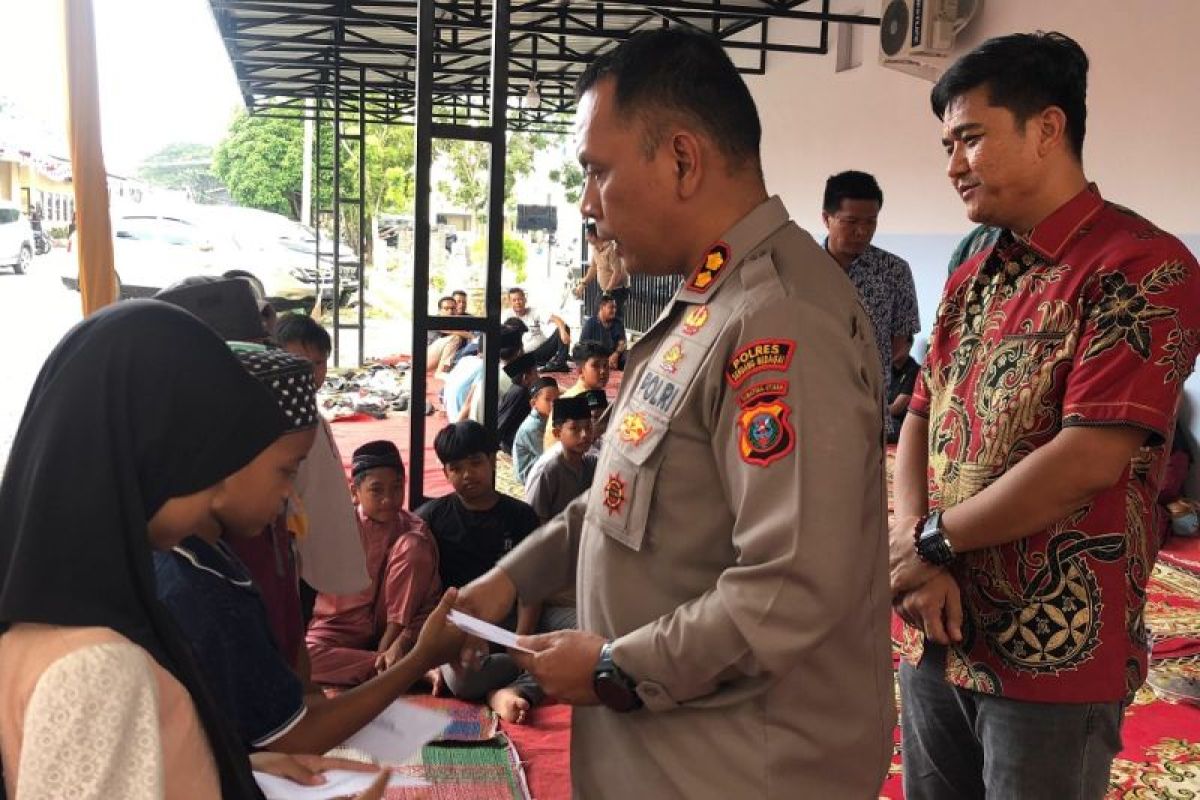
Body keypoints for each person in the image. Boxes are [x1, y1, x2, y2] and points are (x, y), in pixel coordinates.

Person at [452, 27, 892, 799]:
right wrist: (510, 577)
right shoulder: (710, 301)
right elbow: (626, 497)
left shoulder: (775, 319)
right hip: (670, 749)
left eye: (598, 172)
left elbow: (790, 588)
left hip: (739, 766)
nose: (589, 204)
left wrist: (616, 668)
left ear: (682, 160)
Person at [889, 32, 1200, 800]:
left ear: (1047, 129)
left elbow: (1086, 462)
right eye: (946, 144)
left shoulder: (1142, 266)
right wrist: (911, 551)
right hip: (936, 622)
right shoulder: (973, 271)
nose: (953, 163)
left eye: (970, 137)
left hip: (1053, 644)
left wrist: (929, 541)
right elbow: (920, 417)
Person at [0, 301, 402, 799]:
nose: (218, 492)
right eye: (212, 459)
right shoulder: (96, 668)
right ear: (156, 453)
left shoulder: (52, 615)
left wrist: (231, 768)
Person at [155, 348, 464, 755]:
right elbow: (293, 737)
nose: (291, 495)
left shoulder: (217, 555)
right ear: (225, 457)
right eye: (287, 470)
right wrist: (420, 658)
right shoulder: (191, 582)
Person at [416, 422, 545, 722]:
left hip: (515, 620)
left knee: (589, 629)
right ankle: (514, 687)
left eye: (475, 463)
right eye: (456, 467)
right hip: (460, 626)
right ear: (446, 472)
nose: (467, 474)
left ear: (492, 460)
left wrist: (520, 644)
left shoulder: (520, 516)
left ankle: (504, 688)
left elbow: (532, 588)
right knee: (464, 680)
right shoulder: (431, 519)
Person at [306, 441, 442, 687]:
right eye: (377, 491)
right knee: (303, 661)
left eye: (397, 488)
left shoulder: (416, 531)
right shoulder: (336, 529)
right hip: (341, 625)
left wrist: (401, 641)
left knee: (412, 546)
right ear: (354, 492)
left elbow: (429, 603)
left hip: (396, 632)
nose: (388, 500)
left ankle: (391, 660)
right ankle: (401, 669)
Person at [821, 170, 921, 407]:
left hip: (870, 405)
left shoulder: (894, 271)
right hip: (813, 400)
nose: (862, 231)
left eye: (870, 222)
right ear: (826, 219)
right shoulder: (802, 269)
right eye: (851, 222)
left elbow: (901, 342)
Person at [524, 396, 598, 522]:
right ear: (557, 433)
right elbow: (534, 521)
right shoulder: (548, 470)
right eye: (575, 428)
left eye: (588, 427)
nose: (585, 434)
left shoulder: (589, 463)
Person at [545, 340, 613, 451]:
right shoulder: (577, 399)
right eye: (595, 366)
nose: (603, 371)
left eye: (606, 365)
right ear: (580, 371)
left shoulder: (592, 394)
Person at [507, 287, 572, 371]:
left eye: (520, 299)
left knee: (564, 327)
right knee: (510, 369)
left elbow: (557, 319)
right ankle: (543, 365)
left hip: (544, 350)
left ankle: (560, 363)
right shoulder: (507, 317)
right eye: (514, 300)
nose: (517, 303)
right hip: (525, 356)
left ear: (525, 299)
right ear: (510, 302)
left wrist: (563, 332)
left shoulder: (534, 312)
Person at [576, 220, 631, 318]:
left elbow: (617, 272)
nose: (586, 238)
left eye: (587, 235)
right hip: (605, 290)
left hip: (617, 290)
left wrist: (608, 292)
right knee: (598, 318)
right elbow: (593, 268)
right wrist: (583, 284)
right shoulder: (595, 248)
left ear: (594, 236)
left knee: (612, 320)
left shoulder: (612, 249)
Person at [514, 377, 561, 483]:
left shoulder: (548, 418)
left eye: (557, 399)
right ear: (534, 404)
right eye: (548, 399)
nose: (554, 404)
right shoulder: (533, 427)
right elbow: (549, 455)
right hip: (528, 474)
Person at [497, 350, 540, 454]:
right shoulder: (520, 393)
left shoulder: (517, 389)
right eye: (536, 373)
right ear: (525, 378)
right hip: (513, 444)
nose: (538, 377)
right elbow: (502, 423)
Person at [580, 292, 628, 370]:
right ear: (602, 307)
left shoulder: (618, 323)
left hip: (614, 357)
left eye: (615, 307)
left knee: (629, 356)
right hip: (597, 358)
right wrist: (602, 360)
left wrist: (616, 354)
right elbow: (583, 346)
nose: (614, 310)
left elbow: (623, 342)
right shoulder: (590, 323)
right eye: (611, 307)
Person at [887, 335, 919, 444]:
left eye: (897, 342)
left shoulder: (914, 371)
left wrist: (872, 413)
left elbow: (897, 408)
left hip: (901, 424)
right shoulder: (886, 369)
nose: (892, 346)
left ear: (909, 345)